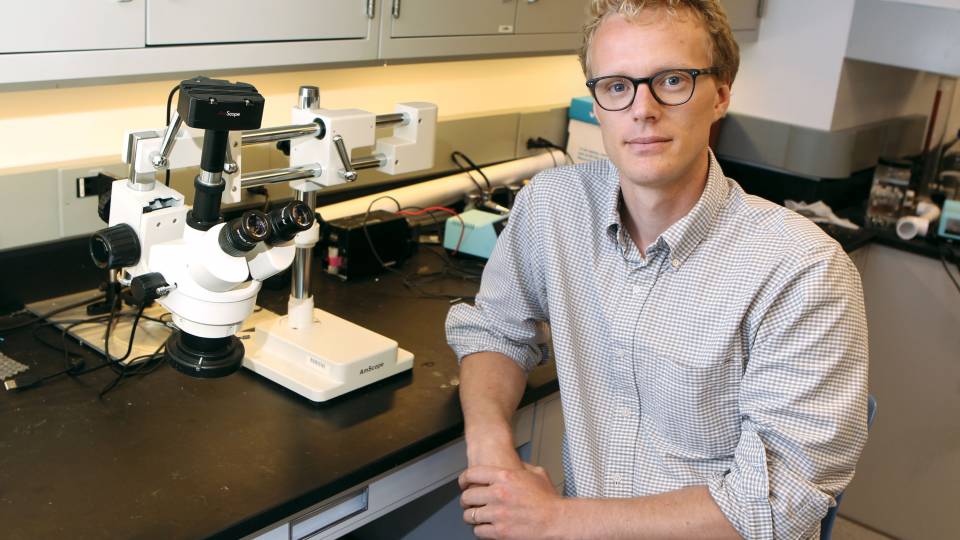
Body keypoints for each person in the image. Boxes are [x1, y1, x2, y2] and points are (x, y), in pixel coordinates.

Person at [445, 1, 869, 538]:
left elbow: (778, 506)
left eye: (672, 80)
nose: (642, 109)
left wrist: (555, 519)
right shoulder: (554, 206)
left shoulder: (802, 270)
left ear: (721, 95)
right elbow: (495, 330)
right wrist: (492, 451)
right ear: (597, 104)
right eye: (617, 86)